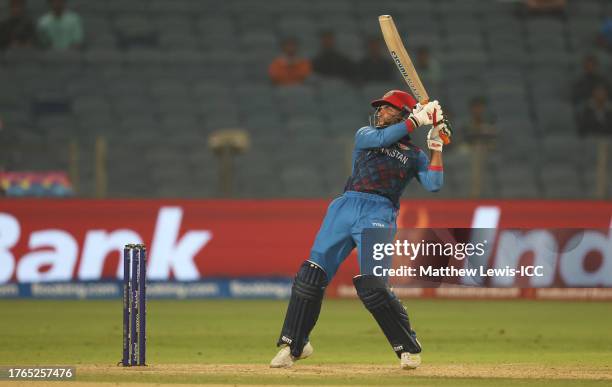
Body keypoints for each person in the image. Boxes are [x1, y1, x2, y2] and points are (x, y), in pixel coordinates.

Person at [269, 91, 451, 370]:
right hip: (345, 207)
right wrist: (416, 120)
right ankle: (295, 345)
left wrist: (436, 145)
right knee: (310, 275)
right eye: (379, 109)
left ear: (402, 113)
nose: (380, 113)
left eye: (387, 109)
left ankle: (408, 347)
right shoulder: (366, 134)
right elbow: (380, 139)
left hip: (379, 213)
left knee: (374, 285)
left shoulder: (414, 155)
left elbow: (434, 184)